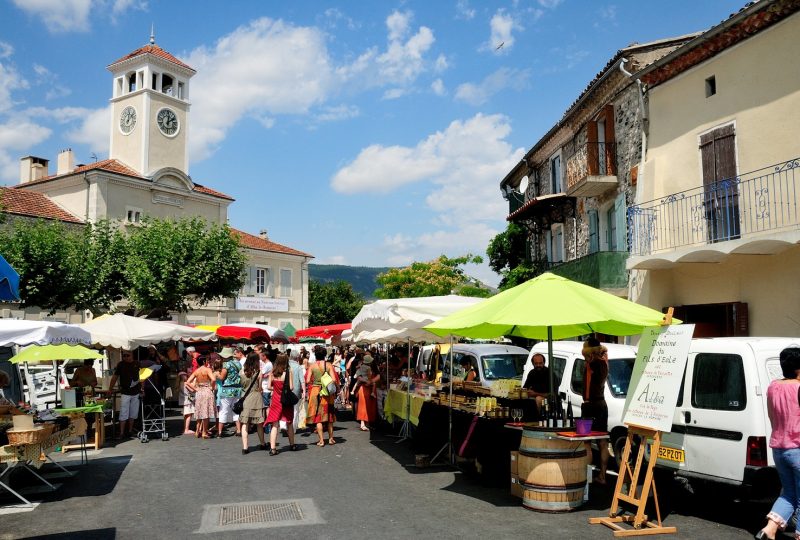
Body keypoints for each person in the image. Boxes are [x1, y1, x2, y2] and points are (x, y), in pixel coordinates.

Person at [754, 347, 800, 540]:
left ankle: (769, 529)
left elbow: (772, 417)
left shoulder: (773, 386)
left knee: (789, 492)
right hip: (798, 447)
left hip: (779, 448)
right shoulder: (798, 387)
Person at [582, 337, 610, 485]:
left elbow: (585, 354)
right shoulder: (605, 361)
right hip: (601, 404)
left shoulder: (591, 362)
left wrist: (589, 351)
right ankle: (603, 476)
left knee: (586, 442)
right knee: (603, 442)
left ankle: (587, 477)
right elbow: (603, 351)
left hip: (590, 405)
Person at [306, 347, 339, 446]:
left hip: (315, 391)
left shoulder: (312, 366)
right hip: (326, 392)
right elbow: (334, 379)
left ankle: (321, 440)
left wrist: (316, 381)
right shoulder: (328, 365)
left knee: (318, 417)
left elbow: (307, 381)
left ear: (315, 355)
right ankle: (331, 438)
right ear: (325, 355)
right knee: (329, 415)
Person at [266, 353, 297, 455]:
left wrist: (276, 388)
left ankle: (273, 448)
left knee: (275, 424)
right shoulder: (288, 372)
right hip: (286, 400)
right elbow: (291, 387)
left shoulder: (273, 372)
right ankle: (292, 445)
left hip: (275, 399)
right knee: (289, 422)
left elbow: (269, 387)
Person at [107, 350, 142, 440]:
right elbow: (115, 377)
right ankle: (122, 433)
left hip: (136, 391)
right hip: (125, 392)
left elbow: (142, 377)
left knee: (133, 413)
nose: (125, 357)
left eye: (127, 355)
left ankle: (130, 431)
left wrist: (142, 388)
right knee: (124, 412)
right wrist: (110, 389)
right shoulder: (120, 364)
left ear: (132, 355)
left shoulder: (137, 363)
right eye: (124, 356)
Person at [238, 352, 266, 454]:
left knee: (245, 423)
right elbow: (260, 388)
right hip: (256, 398)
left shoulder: (242, 372)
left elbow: (242, 385)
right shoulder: (259, 372)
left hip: (245, 398)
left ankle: (245, 447)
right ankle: (262, 443)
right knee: (259, 423)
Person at [186, 355, 217, 439]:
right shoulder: (207, 369)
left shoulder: (196, 371)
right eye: (207, 360)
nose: (208, 362)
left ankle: (197, 431)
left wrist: (195, 389)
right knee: (206, 412)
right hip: (207, 390)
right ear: (204, 362)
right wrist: (212, 387)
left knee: (200, 411)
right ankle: (204, 432)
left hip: (199, 392)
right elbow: (213, 379)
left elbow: (187, 382)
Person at [217, 347, 242, 436]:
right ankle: (239, 430)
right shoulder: (238, 363)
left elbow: (222, 377)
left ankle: (219, 432)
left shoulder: (226, 365)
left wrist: (216, 374)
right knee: (236, 410)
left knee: (224, 410)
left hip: (227, 391)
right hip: (237, 390)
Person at [280, 348, 305, 434]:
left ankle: (283, 425)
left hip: (285, 390)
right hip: (295, 391)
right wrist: (304, 391)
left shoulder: (285, 366)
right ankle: (293, 429)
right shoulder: (298, 367)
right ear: (297, 358)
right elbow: (302, 380)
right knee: (295, 410)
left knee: (284, 407)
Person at [355, 355, 380, 431]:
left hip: (369, 387)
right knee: (363, 405)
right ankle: (363, 423)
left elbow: (378, 376)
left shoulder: (373, 367)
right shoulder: (362, 367)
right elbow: (358, 377)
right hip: (364, 388)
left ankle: (368, 423)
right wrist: (368, 381)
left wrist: (371, 381)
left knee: (370, 405)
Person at [178, 370, 195, 435]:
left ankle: (185, 428)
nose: (187, 376)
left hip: (185, 401)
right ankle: (186, 429)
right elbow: (192, 390)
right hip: (188, 401)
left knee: (186, 415)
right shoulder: (185, 383)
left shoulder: (180, 383)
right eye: (185, 375)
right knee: (189, 415)